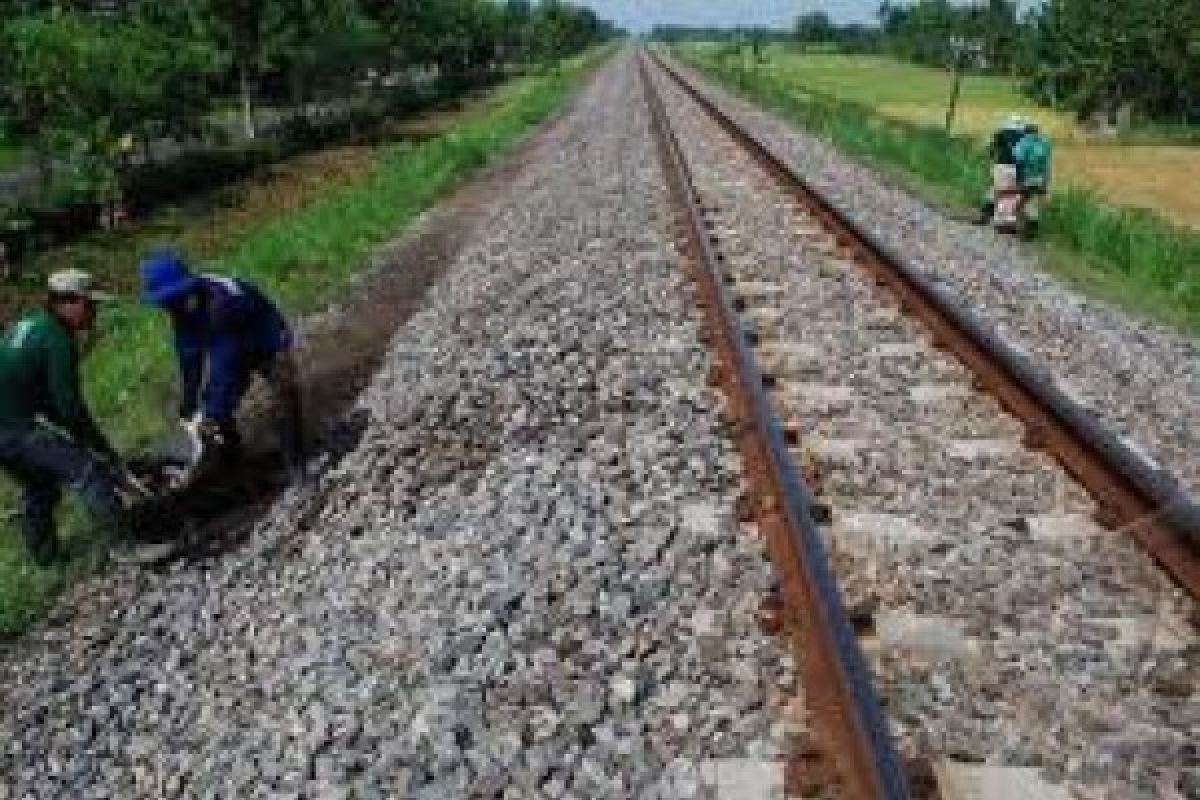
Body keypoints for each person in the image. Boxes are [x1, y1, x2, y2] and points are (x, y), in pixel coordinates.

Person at [0, 270, 172, 566]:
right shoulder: (57, 341)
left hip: (9, 424)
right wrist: (100, 451)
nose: (94, 312)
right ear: (67, 303)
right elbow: (70, 409)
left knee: (38, 484)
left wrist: (83, 437)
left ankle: (46, 559)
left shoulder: (29, 325)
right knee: (89, 473)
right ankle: (124, 547)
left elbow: (41, 396)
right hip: (14, 428)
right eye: (89, 305)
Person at [138, 249, 304, 479]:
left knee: (283, 389)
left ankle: (296, 461)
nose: (168, 307)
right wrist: (188, 403)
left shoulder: (220, 302)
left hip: (266, 336)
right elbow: (189, 357)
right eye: (165, 303)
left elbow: (223, 365)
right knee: (214, 407)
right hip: (229, 344)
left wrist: (211, 414)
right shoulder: (180, 310)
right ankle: (234, 465)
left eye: (171, 300)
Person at [977, 115, 1027, 226]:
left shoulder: (1001, 134)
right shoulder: (1025, 136)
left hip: (1002, 165)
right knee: (1013, 194)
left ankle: (985, 217)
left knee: (994, 190)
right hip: (1018, 168)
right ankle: (1011, 220)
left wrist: (990, 158)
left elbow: (992, 149)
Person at [1013, 122, 1052, 238]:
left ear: (1025, 132)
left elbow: (1019, 160)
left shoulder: (1024, 142)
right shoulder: (1045, 143)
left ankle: (1023, 230)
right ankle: (1032, 227)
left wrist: (1018, 179)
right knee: (1034, 203)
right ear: (1037, 132)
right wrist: (1046, 181)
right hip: (1041, 178)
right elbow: (1047, 163)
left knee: (1021, 204)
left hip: (1027, 177)